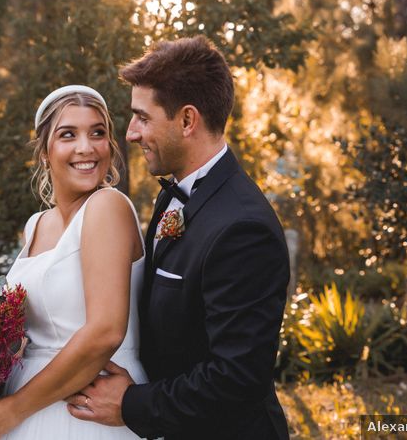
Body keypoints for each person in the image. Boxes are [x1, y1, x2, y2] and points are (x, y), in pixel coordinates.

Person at [65, 37, 292, 439]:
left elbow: (236, 377)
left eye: (143, 118)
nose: (131, 134)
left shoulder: (243, 229)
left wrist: (131, 405)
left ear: (188, 121)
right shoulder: (177, 194)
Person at [0, 85, 147, 440]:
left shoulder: (107, 207)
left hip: (87, 410)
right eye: (67, 135)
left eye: (97, 133)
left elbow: (104, 332)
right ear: (44, 152)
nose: (86, 147)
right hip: (29, 404)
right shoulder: (36, 225)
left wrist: (11, 410)